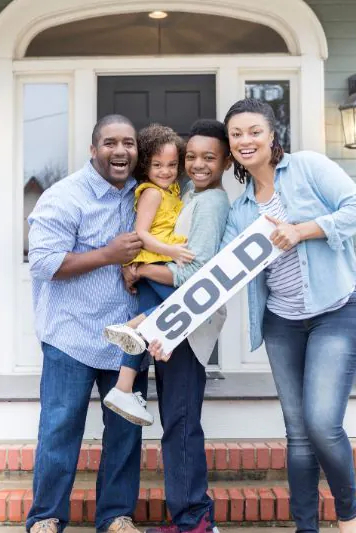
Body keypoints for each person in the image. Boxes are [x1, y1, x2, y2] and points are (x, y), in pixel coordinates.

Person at [218, 98, 356, 533]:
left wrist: (301, 230)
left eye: (253, 131)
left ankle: (348, 512)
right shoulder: (241, 209)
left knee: (323, 423)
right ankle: (305, 527)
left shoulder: (308, 168)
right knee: (299, 434)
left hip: (337, 309)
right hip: (283, 322)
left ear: (272, 135)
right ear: (230, 147)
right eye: (236, 135)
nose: (245, 140)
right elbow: (221, 273)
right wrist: (162, 323)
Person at [25, 114, 146, 533]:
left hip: (126, 339)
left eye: (128, 143)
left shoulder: (144, 195)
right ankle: (46, 516)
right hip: (70, 335)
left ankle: (115, 515)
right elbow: (42, 262)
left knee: (125, 434)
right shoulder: (64, 196)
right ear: (93, 150)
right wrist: (109, 255)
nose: (121, 151)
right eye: (110, 143)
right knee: (60, 429)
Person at [126, 119, 232, 533]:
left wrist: (143, 270)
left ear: (225, 161)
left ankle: (195, 521)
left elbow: (196, 274)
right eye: (192, 157)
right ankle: (189, 516)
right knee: (177, 420)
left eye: (209, 157)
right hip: (173, 324)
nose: (198, 164)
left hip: (186, 327)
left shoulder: (211, 203)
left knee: (182, 422)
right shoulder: (188, 194)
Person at [103, 124, 194, 427]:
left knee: (157, 317)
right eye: (157, 165)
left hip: (154, 265)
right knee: (185, 306)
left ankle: (123, 387)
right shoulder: (152, 193)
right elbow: (141, 234)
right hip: (155, 263)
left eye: (171, 165)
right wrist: (173, 252)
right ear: (145, 166)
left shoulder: (172, 190)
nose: (165, 171)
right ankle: (133, 326)